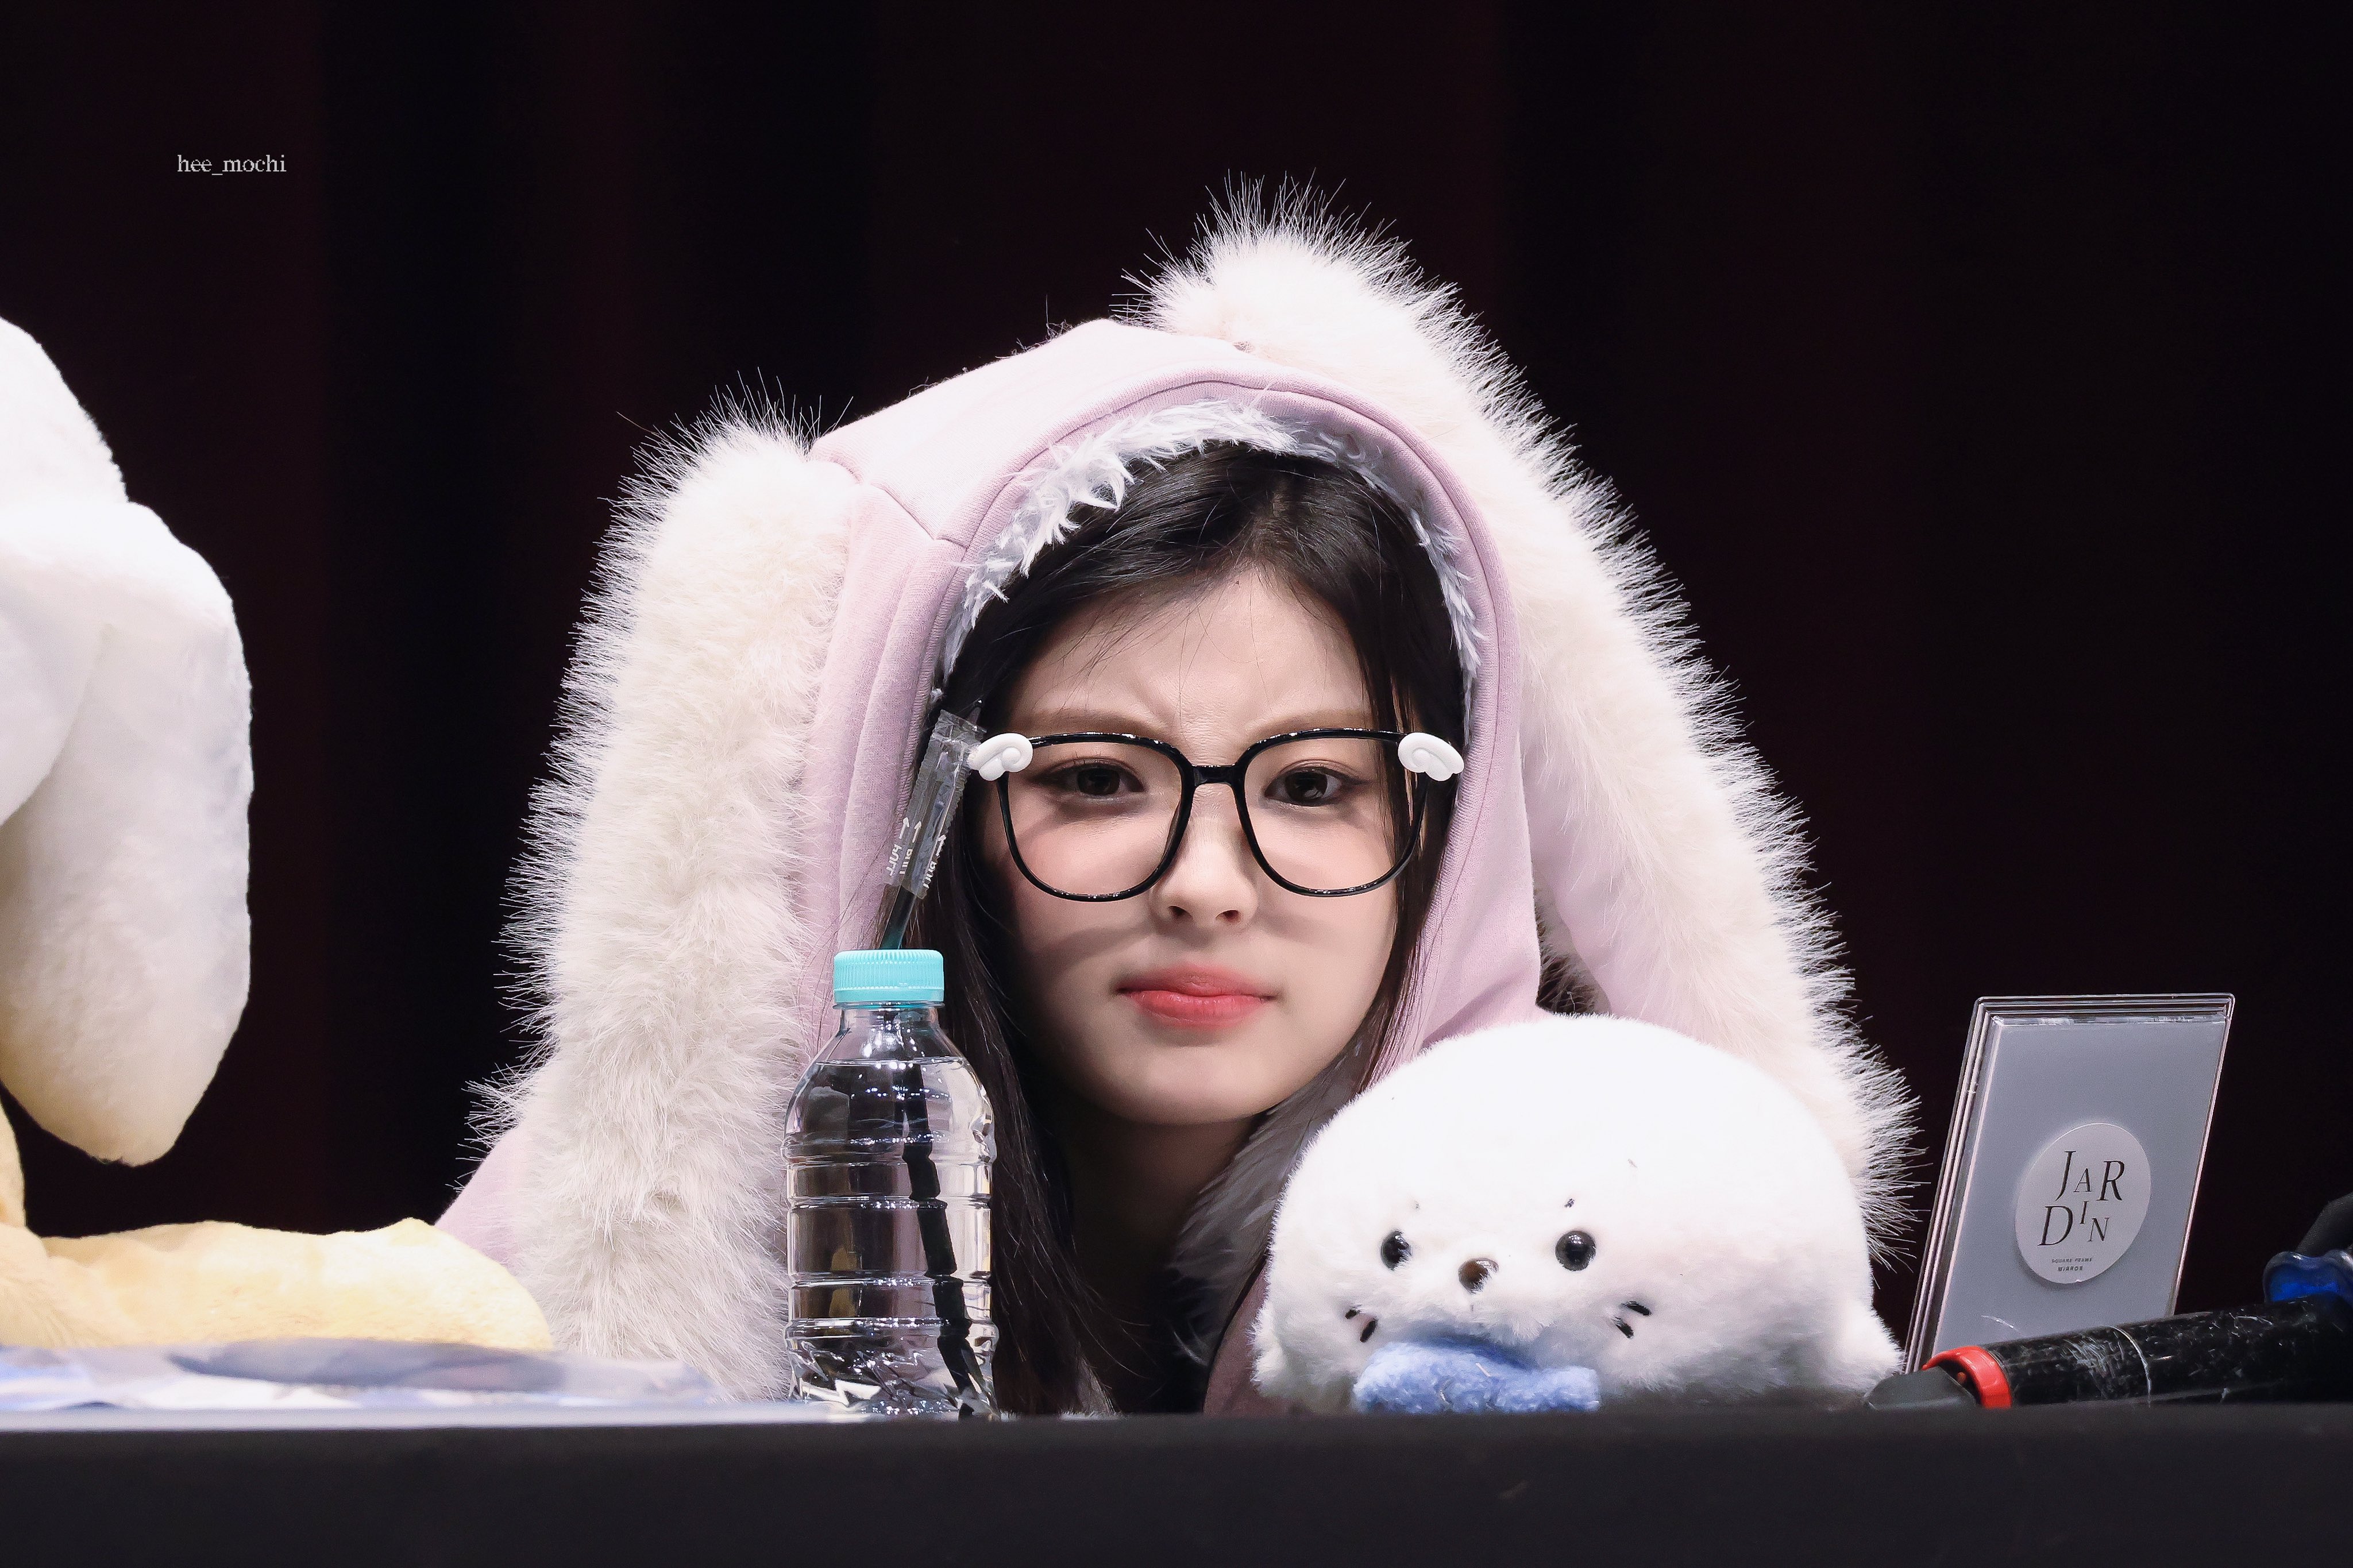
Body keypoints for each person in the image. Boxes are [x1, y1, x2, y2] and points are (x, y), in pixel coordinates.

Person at [440, 202, 1911, 1413]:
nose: (1206, 882)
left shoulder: (1623, 1265)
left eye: (1315, 785)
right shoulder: (567, 1299)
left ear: (1450, 842)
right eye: (1095, 778)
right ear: (921, 813)